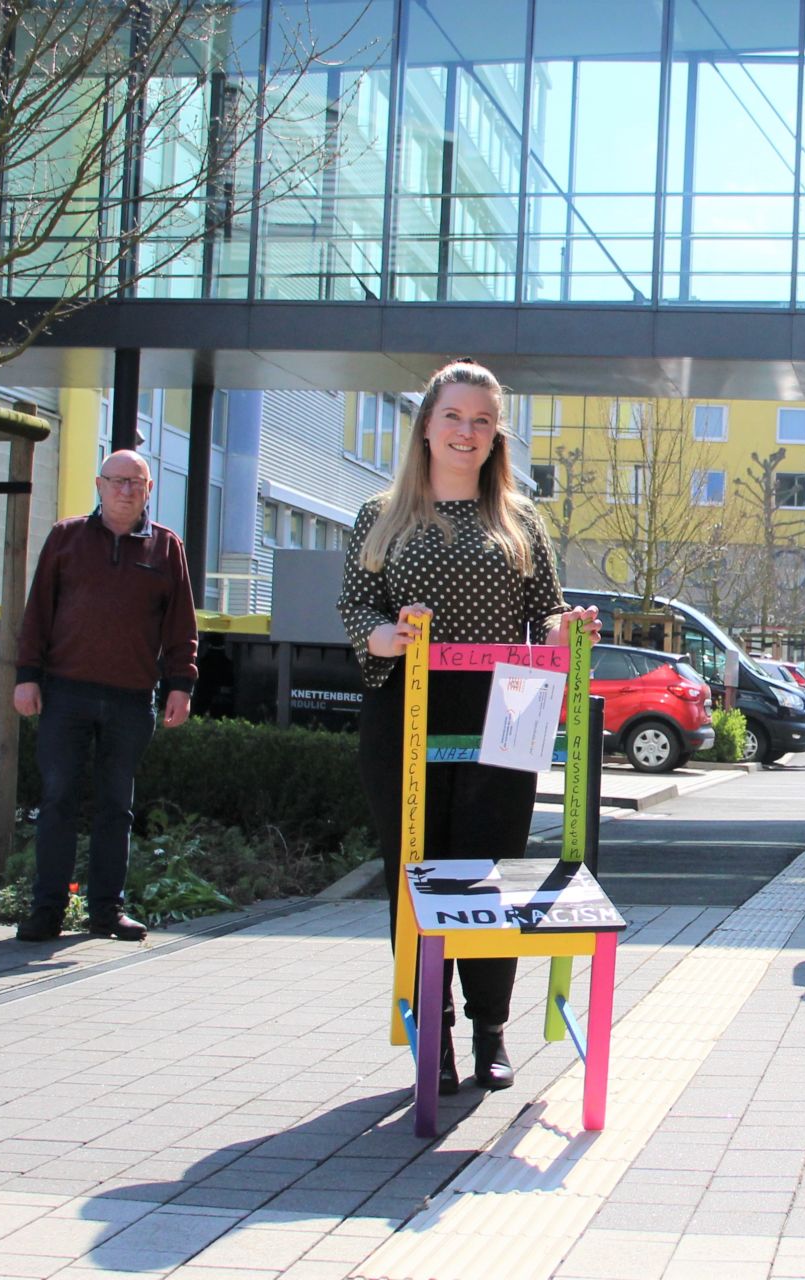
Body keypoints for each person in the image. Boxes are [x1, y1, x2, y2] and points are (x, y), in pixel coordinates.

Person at [338, 360, 599, 1094]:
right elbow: (356, 609)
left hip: (509, 708)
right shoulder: (379, 515)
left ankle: (490, 1031)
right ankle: (434, 1033)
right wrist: (383, 636)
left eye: (482, 421)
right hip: (408, 709)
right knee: (416, 875)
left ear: (496, 438)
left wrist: (566, 627)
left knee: (489, 876)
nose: (467, 431)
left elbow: (545, 611)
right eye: (455, 416)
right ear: (426, 424)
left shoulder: (519, 518)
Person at [13, 450, 199, 944]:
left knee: (116, 806)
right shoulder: (65, 538)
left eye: (135, 482)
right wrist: (27, 676)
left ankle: (106, 913)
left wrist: (181, 684)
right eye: (116, 480)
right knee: (57, 801)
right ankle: (47, 910)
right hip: (65, 692)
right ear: (99, 485)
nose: (125, 490)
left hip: (131, 699)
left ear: (149, 489)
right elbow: (38, 612)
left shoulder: (166, 548)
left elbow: (182, 625)